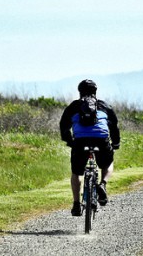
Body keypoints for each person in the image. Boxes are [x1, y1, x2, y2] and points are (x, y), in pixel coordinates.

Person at [59, 79, 121, 216]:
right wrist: (115, 143)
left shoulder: (74, 106)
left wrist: (69, 141)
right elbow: (114, 126)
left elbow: (64, 126)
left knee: (76, 172)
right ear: (95, 92)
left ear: (80, 91)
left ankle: (76, 204)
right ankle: (103, 184)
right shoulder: (104, 105)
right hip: (101, 139)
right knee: (108, 162)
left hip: (80, 141)